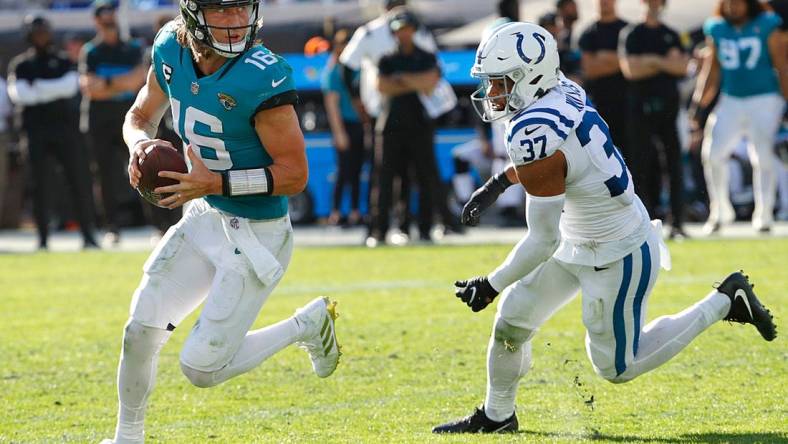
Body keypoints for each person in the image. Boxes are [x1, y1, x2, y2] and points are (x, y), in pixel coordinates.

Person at [432, 22, 777, 434]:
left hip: (617, 249)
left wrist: (491, 283)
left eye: (501, 83)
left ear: (530, 77)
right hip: (579, 235)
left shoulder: (535, 130)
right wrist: (501, 181)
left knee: (617, 367)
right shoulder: (562, 90)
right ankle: (497, 415)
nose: (492, 95)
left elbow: (542, 237)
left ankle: (724, 301)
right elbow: (564, 162)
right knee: (512, 322)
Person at [100, 2, 341, 443]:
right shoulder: (170, 46)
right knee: (139, 330)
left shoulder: (261, 74)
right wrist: (138, 146)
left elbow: (295, 175)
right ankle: (126, 437)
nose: (234, 22)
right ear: (192, 13)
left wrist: (216, 182)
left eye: (240, 10)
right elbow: (139, 116)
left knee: (201, 369)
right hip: (207, 216)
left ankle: (304, 325)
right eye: (221, 11)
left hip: (258, 234)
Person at [692, 0, 787, 234]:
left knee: (763, 157)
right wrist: (698, 105)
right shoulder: (717, 28)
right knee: (713, 153)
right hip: (731, 98)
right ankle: (720, 210)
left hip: (765, 97)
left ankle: (763, 214)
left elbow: (782, 65)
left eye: (738, 3)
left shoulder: (767, 23)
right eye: (729, 3)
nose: (733, 8)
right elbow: (712, 71)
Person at [7, 15, 98, 250]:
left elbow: (69, 86)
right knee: (39, 186)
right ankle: (43, 239)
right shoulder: (20, 64)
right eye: (36, 32)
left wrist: (37, 88)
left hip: (65, 131)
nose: (41, 36)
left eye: (43, 31)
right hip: (35, 133)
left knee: (78, 181)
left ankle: (88, 235)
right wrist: (51, 89)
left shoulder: (62, 60)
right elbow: (20, 95)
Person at [369, 10, 441, 246]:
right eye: (399, 30)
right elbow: (382, 86)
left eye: (406, 29)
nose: (403, 34)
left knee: (426, 177)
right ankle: (380, 231)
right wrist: (414, 81)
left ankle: (426, 229)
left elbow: (430, 84)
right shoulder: (386, 59)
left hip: (419, 125)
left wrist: (401, 79)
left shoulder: (426, 56)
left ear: (413, 30)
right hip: (390, 126)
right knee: (386, 181)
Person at [619, 0, 689, 238]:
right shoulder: (632, 34)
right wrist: (663, 62)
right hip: (640, 109)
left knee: (673, 163)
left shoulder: (671, 34)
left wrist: (648, 61)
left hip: (668, 109)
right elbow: (631, 69)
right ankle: (644, 221)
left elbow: (681, 67)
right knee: (642, 165)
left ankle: (677, 221)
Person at [79, 1, 146, 245]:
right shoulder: (91, 51)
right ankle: (112, 227)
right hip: (100, 123)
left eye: (111, 16)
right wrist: (121, 82)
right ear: (96, 21)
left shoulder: (131, 48)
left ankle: (158, 225)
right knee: (105, 177)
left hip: (129, 120)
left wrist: (105, 82)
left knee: (145, 169)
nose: (109, 21)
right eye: (104, 17)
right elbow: (89, 89)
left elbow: (138, 81)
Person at [578, 0, 630, 161]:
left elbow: (632, 65)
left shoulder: (627, 30)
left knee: (631, 156)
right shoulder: (588, 34)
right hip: (600, 107)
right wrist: (620, 61)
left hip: (627, 106)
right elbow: (590, 69)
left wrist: (603, 57)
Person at [322, 29, 364, 226]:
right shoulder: (333, 72)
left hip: (359, 123)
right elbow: (332, 106)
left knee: (357, 170)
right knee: (343, 171)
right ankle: (336, 211)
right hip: (344, 125)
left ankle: (355, 210)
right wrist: (339, 134)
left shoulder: (357, 69)